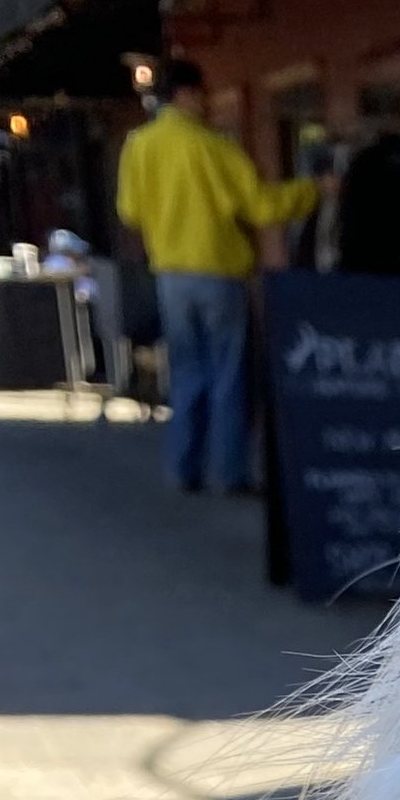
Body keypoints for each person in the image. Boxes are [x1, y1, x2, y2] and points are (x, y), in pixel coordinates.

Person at [114, 54, 312, 493]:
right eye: (201, 93)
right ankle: (230, 472)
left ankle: (183, 467)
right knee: (228, 375)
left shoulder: (139, 146)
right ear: (186, 94)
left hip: (170, 275)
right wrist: (313, 192)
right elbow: (262, 206)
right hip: (219, 272)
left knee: (187, 372)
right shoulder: (214, 147)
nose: (205, 102)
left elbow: (129, 211)